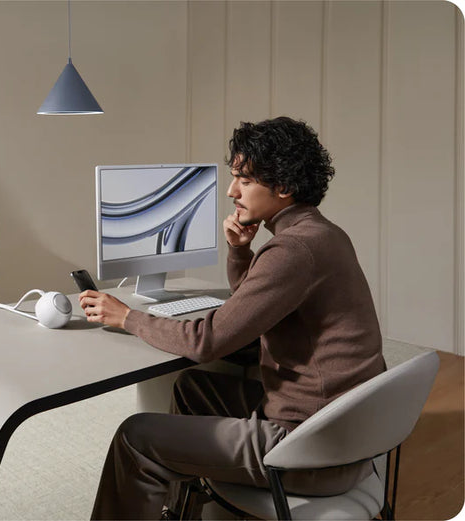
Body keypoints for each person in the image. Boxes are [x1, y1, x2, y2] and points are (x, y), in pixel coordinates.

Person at [79, 116, 386, 520]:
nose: (231, 190)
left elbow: (208, 341)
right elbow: (254, 311)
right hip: (344, 433)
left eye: (243, 179)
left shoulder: (293, 251)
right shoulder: (321, 233)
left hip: (310, 449)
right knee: (192, 389)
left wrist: (127, 318)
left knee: (135, 437)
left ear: (284, 187)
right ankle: (179, 511)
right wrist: (241, 251)